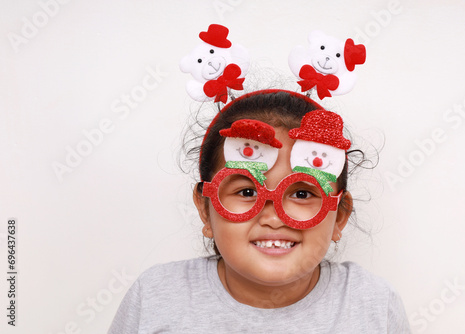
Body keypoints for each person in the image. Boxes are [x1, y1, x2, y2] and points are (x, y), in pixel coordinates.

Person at [107, 89, 411, 333]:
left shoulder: (373, 304)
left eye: (302, 193)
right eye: (247, 191)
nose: (273, 217)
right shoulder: (156, 296)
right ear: (205, 209)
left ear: (339, 216)